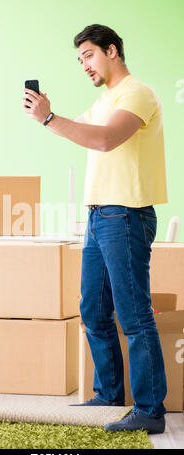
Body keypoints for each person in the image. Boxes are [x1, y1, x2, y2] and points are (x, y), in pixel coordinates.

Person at [22, 24, 168, 434]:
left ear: (112, 50)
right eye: (80, 59)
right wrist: (47, 115)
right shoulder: (105, 99)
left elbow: (105, 140)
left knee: (134, 314)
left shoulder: (136, 93)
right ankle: (109, 394)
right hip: (100, 216)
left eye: (88, 55)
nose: (84, 65)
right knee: (94, 311)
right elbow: (82, 131)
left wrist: (49, 116)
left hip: (126, 214)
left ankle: (150, 410)